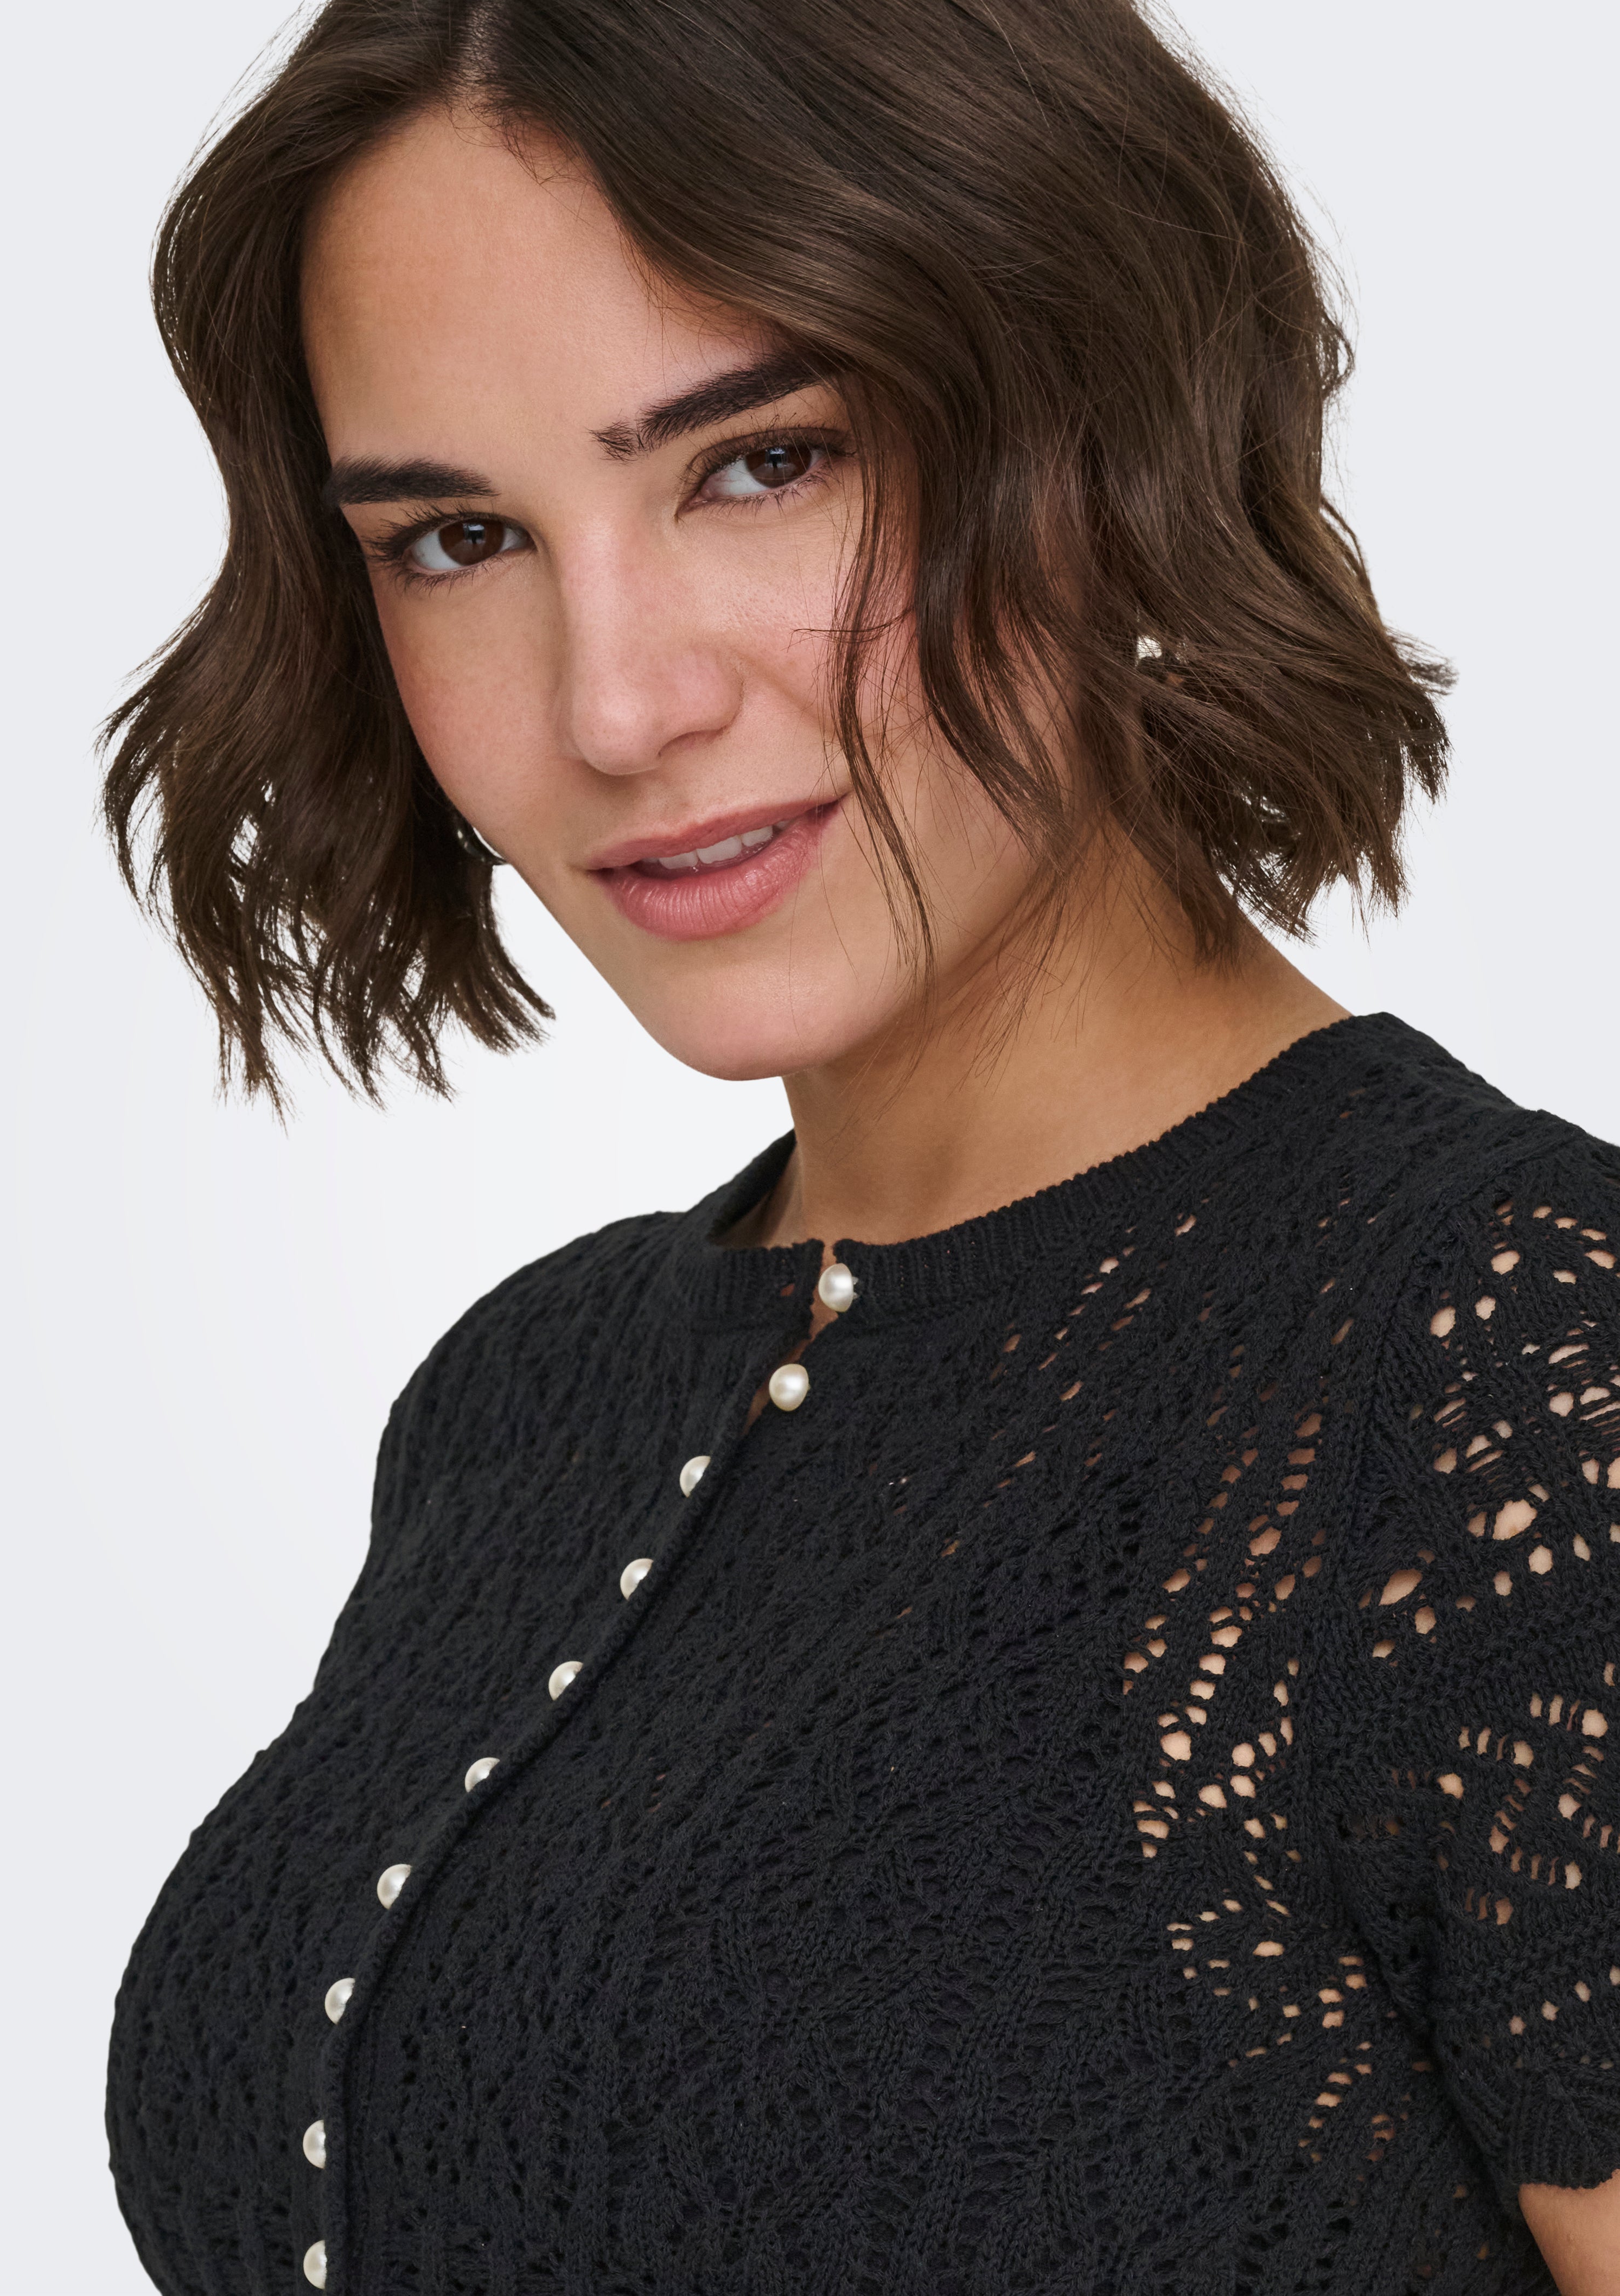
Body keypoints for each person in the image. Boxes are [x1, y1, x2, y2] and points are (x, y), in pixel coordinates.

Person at [100, 2, 1620, 2289]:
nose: (615, 701)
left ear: (1101, 418)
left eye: (759, 464)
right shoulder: (530, 1393)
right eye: (458, 535)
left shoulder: (1508, 1377)